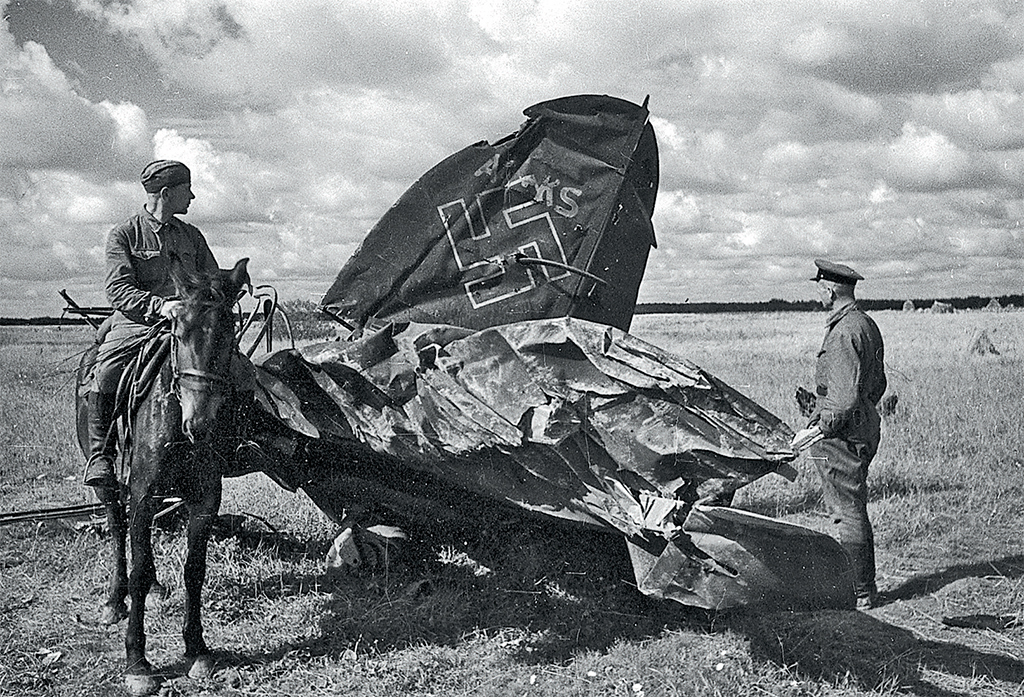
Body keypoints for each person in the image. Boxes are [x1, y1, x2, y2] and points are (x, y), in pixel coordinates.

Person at [83, 160, 220, 489]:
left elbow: (212, 279)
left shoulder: (192, 236)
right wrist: (160, 306)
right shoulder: (124, 234)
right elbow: (117, 289)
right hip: (138, 323)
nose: (193, 197)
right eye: (188, 190)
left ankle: (233, 443)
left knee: (235, 368)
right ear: (166, 193)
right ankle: (101, 455)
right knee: (105, 371)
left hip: (187, 326)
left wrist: (216, 297)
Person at [790, 259, 887, 610]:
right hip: (863, 426)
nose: (817, 292)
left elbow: (843, 399)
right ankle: (864, 587)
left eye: (819, 286)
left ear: (830, 289)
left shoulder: (844, 331)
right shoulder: (864, 323)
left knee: (846, 511)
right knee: (853, 506)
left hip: (843, 435)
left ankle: (860, 593)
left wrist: (819, 428)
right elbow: (877, 385)